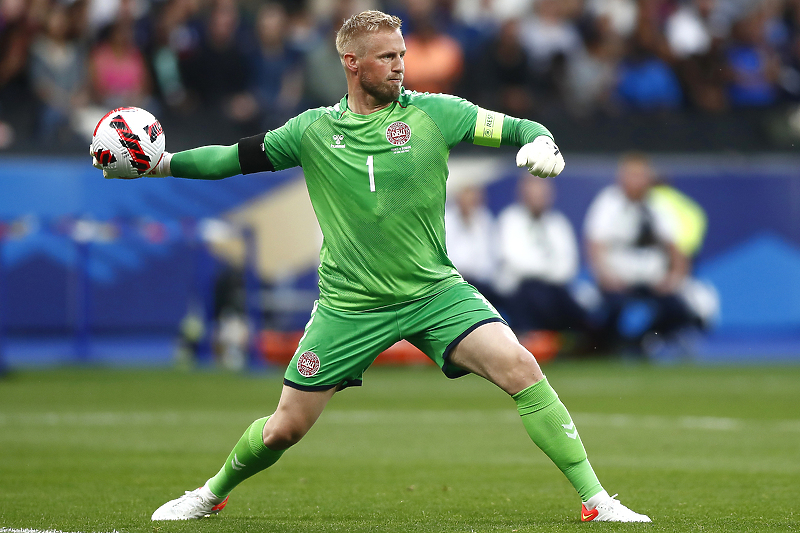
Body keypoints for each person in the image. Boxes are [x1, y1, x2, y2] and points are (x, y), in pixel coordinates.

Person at [92, 10, 650, 524]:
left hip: (435, 294)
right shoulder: (311, 132)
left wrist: (543, 141)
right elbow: (231, 159)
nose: (400, 66)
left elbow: (516, 128)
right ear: (351, 62)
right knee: (285, 428)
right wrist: (159, 166)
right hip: (349, 306)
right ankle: (209, 494)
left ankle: (596, 501)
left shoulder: (437, 114)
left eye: (402, 54)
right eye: (386, 57)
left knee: (523, 369)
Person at [583, 152, 698, 352]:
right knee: (611, 309)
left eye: (641, 175)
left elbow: (676, 248)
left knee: (679, 310)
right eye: (631, 175)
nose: (636, 181)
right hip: (618, 280)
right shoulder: (608, 203)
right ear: (621, 177)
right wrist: (605, 276)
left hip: (652, 280)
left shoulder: (658, 205)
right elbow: (594, 244)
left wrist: (674, 278)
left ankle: (641, 342)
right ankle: (607, 347)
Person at [496, 174, 591, 335]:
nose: (538, 197)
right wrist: (549, 268)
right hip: (519, 290)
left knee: (574, 305)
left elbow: (569, 266)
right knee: (535, 294)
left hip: (555, 288)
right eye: (534, 192)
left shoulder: (558, 223)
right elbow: (517, 263)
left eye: (542, 192)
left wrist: (543, 269)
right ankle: (534, 338)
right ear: (523, 193)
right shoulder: (510, 219)